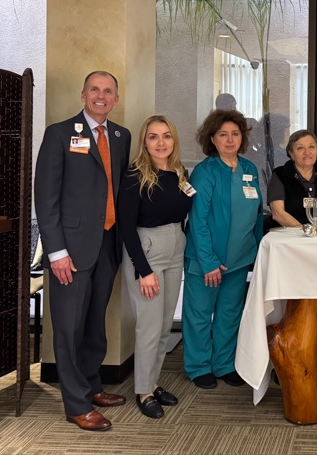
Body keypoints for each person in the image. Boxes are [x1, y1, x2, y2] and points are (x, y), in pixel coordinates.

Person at [34, 71, 131, 431]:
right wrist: (56, 252)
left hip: (108, 243)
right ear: (83, 94)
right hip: (70, 251)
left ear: (116, 99)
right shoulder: (60, 134)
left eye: (108, 91)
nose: (101, 96)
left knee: (94, 323)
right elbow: (45, 200)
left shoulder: (121, 136)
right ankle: (75, 404)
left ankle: (91, 386)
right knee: (68, 327)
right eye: (95, 90)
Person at [183, 109, 264, 389]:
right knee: (200, 316)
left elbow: (255, 214)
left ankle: (225, 363)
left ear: (242, 138)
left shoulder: (249, 170)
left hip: (239, 259)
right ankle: (198, 366)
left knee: (230, 315)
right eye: (223, 135)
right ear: (212, 139)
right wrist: (208, 262)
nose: (229, 140)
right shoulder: (205, 172)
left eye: (235, 134)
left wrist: (255, 255)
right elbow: (198, 220)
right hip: (207, 261)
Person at [118, 115, 192, 419]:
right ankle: (143, 391)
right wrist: (143, 270)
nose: (160, 143)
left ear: (174, 140)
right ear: (144, 141)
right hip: (146, 250)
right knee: (148, 327)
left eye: (166, 136)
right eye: (153, 137)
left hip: (175, 246)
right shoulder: (135, 176)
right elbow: (125, 227)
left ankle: (152, 380)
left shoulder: (179, 172)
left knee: (163, 327)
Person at [269, 129, 317, 227]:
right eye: (300, 148)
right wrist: (305, 232)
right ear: (291, 153)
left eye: (311, 147)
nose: (307, 152)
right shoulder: (280, 175)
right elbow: (278, 214)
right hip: (288, 236)